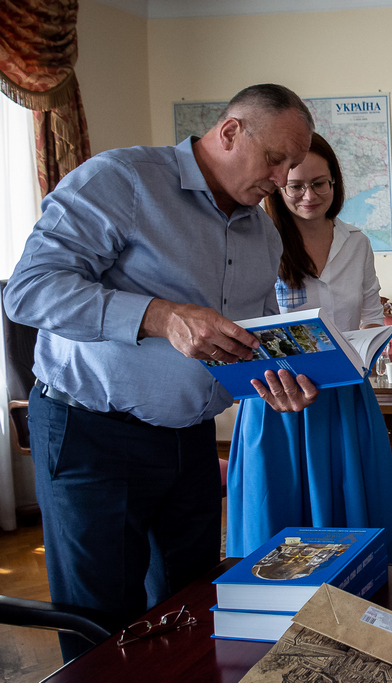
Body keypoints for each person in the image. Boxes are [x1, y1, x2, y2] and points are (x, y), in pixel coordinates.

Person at [3, 84, 319, 660]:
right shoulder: (121, 180)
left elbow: (252, 337)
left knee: (190, 607)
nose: (281, 180)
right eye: (275, 159)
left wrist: (275, 381)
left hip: (190, 440)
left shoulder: (264, 233)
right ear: (230, 132)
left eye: (291, 166)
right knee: (103, 624)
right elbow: (29, 291)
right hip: (92, 434)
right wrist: (158, 316)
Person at [226, 133, 392, 563]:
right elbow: (241, 321)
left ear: (335, 183)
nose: (309, 196)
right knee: (278, 516)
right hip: (276, 399)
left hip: (344, 397)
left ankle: (354, 584)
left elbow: (371, 315)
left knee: (351, 507)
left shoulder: (356, 241)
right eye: (296, 186)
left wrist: (368, 345)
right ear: (277, 187)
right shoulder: (257, 240)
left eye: (320, 183)